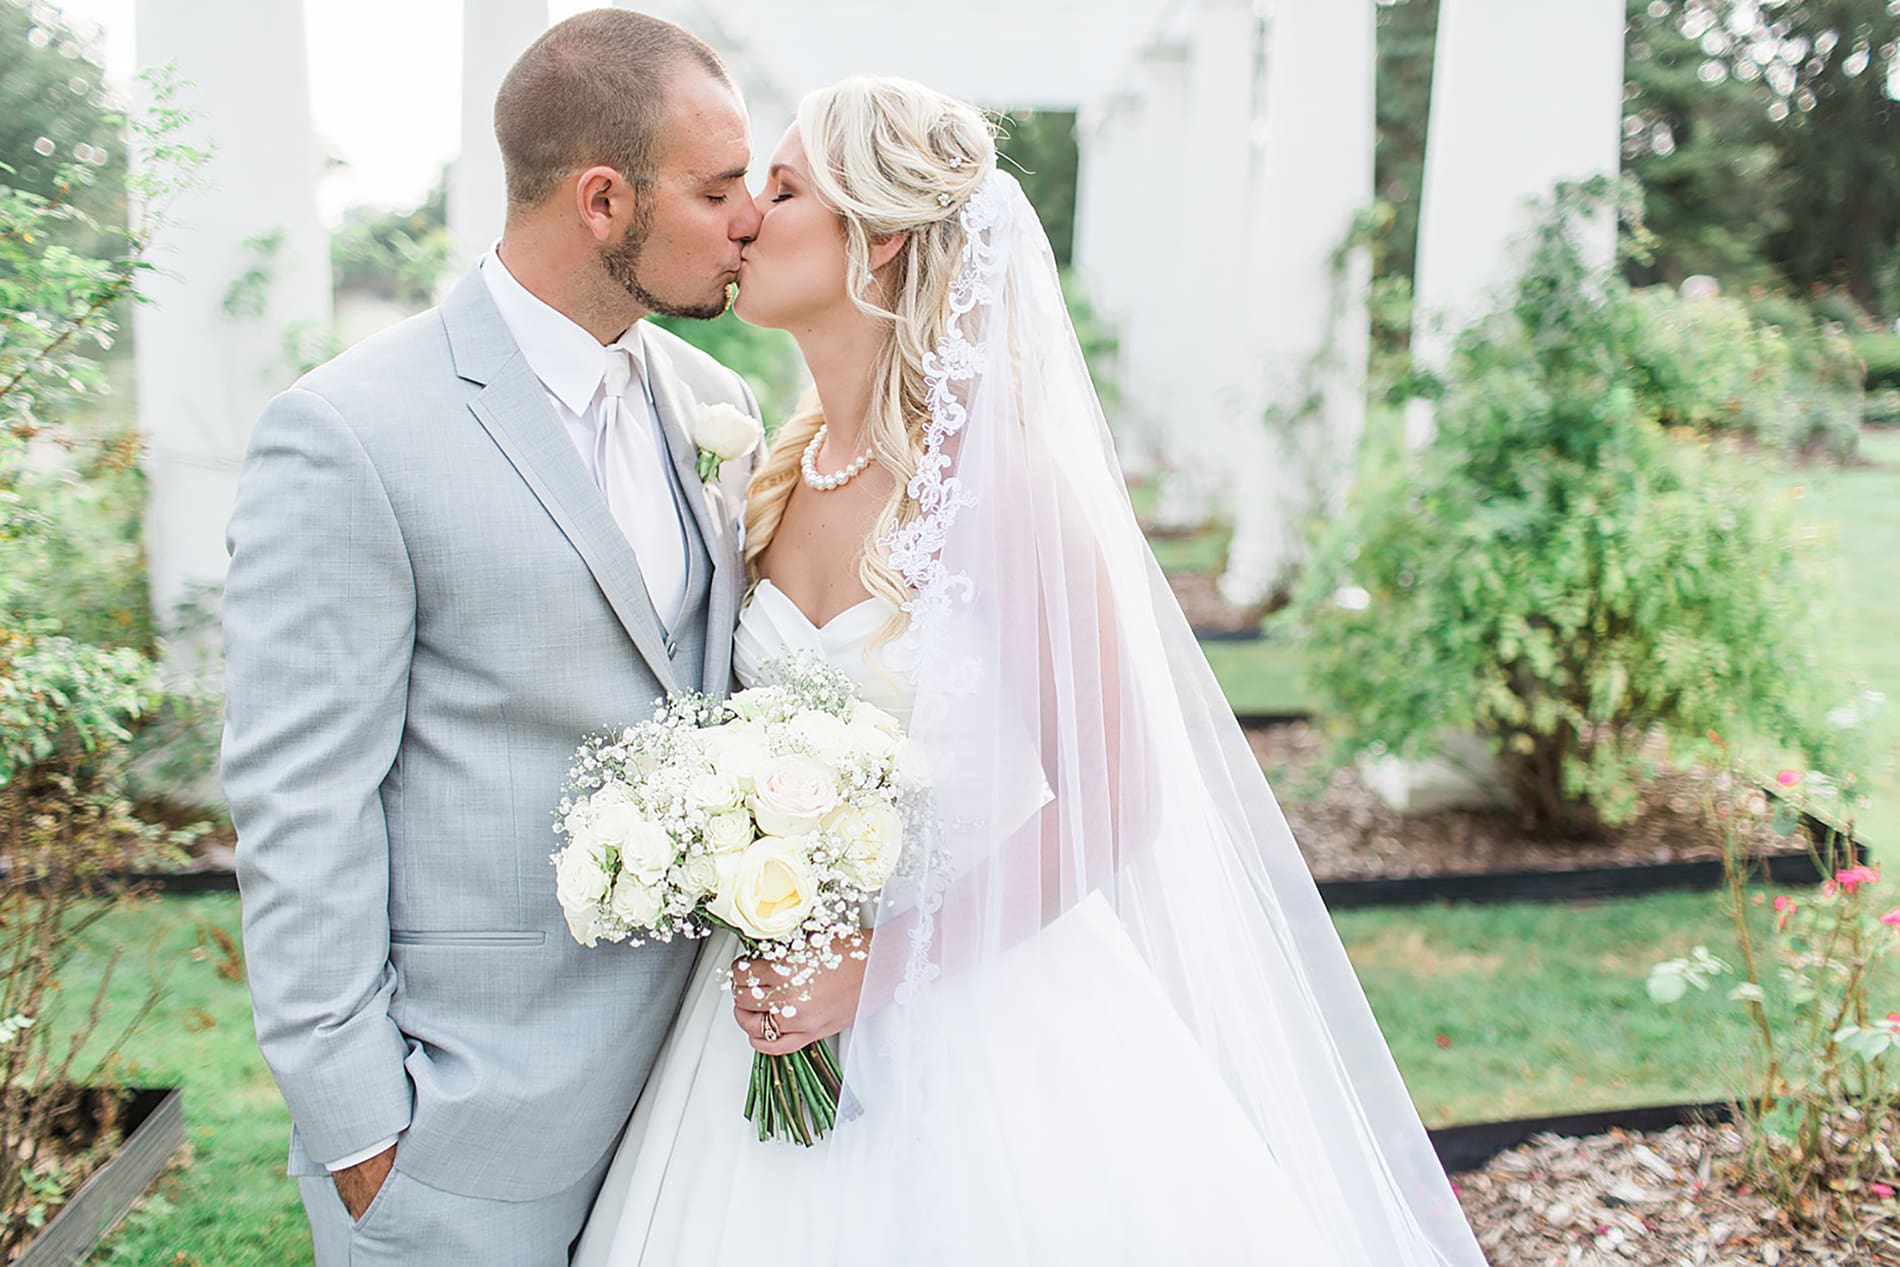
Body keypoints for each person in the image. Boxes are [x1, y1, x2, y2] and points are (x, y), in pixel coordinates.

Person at [574, 75, 1489, 1267]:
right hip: (766, 999)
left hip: (981, 1013)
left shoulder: (994, 487)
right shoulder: (773, 474)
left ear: (882, 240)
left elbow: (1119, 796)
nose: (743, 215)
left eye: (783, 188)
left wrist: (873, 966)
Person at [220, 11, 763, 1263]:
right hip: (465, 1121)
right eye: (718, 185)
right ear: (602, 199)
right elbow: (302, 802)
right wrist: (364, 1131)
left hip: (699, 1103)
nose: (750, 216)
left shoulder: (713, 402)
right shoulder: (350, 433)